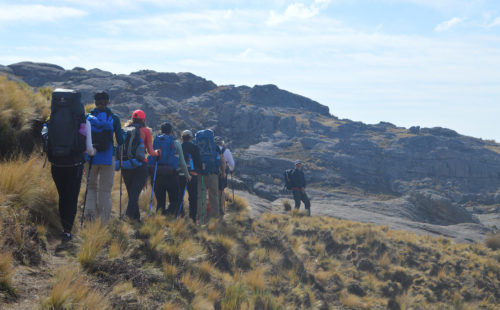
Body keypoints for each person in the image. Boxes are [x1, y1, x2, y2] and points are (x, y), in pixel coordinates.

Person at [46, 89, 96, 243]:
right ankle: (67, 231)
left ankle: (63, 228)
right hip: (74, 165)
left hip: (56, 164)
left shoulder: (51, 119)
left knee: (62, 196)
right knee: (71, 198)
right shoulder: (84, 122)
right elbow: (88, 149)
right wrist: (94, 151)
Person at [85, 91, 123, 222]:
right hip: (108, 157)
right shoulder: (114, 117)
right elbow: (121, 140)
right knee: (105, 191)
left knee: (90, 187)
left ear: (95, 102)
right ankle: (104, 221)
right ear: (108, 102)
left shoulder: (88, 117)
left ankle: (90, 218)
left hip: (91, 157)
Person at [121, 110, 159, 221]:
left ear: (132, 118)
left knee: (132, 193)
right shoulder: (146, 131)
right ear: (143, 119)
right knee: (135, 194)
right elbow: (151, 152)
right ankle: (128, 216)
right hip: (140, 165)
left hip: (126, 164)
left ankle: (136, 218)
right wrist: (158, 153)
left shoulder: (124, 129)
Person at [150, 123, 191, 216]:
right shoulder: (175, 143)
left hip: (157, 173)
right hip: (171, 174)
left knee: (160, 201)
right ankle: (168, 215)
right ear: (171, 131)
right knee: (175, 199)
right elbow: (181, 161)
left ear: (161, 131)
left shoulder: (156, 141)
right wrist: (187, 174)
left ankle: (160, 220)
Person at [195, 129, 226, 224]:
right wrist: (223, 172)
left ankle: (201, 219)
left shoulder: (196, 145)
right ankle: (215, 219)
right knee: (214, 196)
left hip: (200, 175)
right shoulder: (215, 146)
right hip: (213, 174)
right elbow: (222, 160)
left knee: (201, 197)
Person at [179, 130, 202, 222]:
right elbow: (199, 163)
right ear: (191, 138)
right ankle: (192, 218)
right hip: (193, 175)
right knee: (193, 197)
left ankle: (181, 215)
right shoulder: (195, 147)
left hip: (180, 175)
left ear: (182, 138)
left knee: (179, 195)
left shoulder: (179, 147)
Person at [214, 136, 235, 213]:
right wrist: (231, 170)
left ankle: (211, 207)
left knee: (211, 189)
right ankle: (221, 209)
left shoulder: (211, 149)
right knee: (221, 190)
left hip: (212, 172)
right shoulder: (226, 151)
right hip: (223, 173)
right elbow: (232, 164)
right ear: (222, 143)